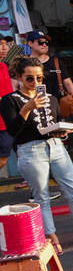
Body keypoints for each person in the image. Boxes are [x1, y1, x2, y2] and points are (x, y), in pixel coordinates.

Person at [0, 57, 73, 255]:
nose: (35, 83)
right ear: (19, 77)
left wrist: (62, 132)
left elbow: (57, 122)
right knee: (42, 197)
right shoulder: (10, 100)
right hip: (30, 150)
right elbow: (13, 130)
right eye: (29, 79)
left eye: (39, 78)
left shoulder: (50, 98)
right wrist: (27, 108)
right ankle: (52, 237)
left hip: (56, 147)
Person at [27, 30, 73, 118]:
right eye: (40, 42)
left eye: (46, 42)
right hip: (33, 107)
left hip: (56, 106)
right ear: (30, 44)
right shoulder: (24, 63)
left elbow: (68, 83)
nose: (44, 45)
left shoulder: (56, 62)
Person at [0, 35, 14, 171]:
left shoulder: (4, 66)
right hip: (1, 123)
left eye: (6, 44)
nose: (5, 48)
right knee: (2, 160)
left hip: (9, 120)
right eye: (0, 44)